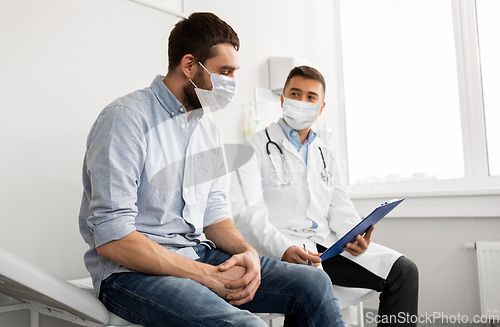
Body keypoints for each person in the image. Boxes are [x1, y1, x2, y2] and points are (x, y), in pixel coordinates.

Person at [78, 13, 345, 327]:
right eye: (225, 71)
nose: (231, 82)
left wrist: (247, 253)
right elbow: (113, 237)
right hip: (131, 275)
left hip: (195, 254)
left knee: (313, 284)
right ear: (189, 65)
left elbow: (214, 214)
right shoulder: (125, 119)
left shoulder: (206, 128)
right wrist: (206, 276)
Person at [230, 66, 419, 327]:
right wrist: (283, 249)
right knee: (308, 284)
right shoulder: (252, 147)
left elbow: (340, 208)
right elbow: (247, 215)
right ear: (283, 99)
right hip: (281, 248)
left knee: (404, 271)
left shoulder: (325, 153)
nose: (302, 102)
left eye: (311, 97)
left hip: (326, 247)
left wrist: (357, 235)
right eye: (295, 94)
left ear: (321, 107)